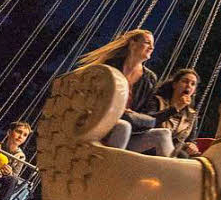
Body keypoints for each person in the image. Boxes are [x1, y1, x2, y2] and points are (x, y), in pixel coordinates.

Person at [76, 28, 173, 157]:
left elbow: (147, 112)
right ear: (132, 44)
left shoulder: (150, 79)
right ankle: (108, 170)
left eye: (153, 45)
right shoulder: (110, 66)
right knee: (124, 126)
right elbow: (92, 94)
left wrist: (136, 114)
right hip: (100, 122)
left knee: (163, 134)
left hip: (129, 128)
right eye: (147, 43)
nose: (152, 47)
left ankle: (172, 174)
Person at [145, 67, 200, 157]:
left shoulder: (192, 115)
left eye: (193, 84)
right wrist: (175, 108)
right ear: (174, 84)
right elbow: (149, 121)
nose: (188, 86)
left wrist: (192, 145)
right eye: (185, 81)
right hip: (151, 144)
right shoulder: (157, 101)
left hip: (175, 150)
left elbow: (191, 139)